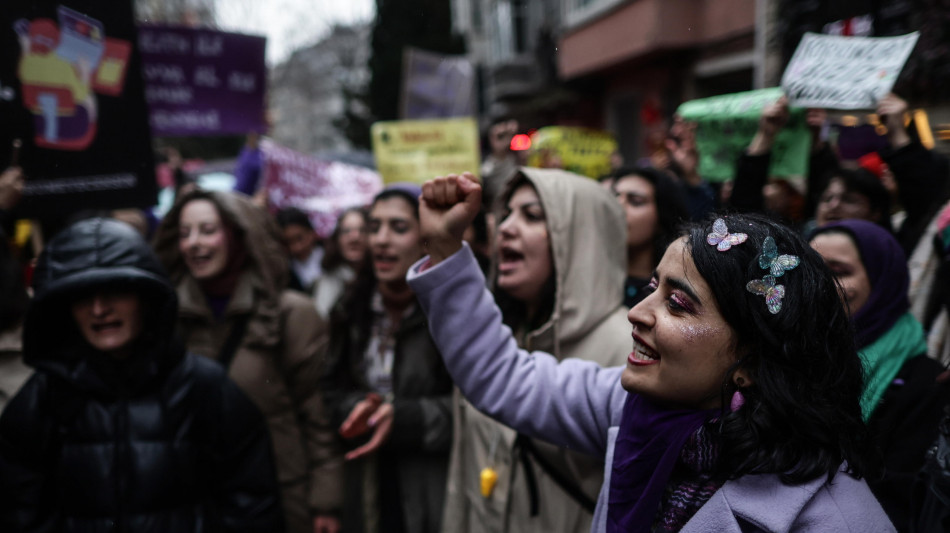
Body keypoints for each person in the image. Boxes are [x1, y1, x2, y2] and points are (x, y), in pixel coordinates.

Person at [409, 172, 893, 533]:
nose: (637, 313)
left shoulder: (833, 518)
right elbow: (501, 375)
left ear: (752, 362)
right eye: (651, 287)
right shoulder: (630, 404)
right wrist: (446, 248)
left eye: (678, 304)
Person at [0, 217, 283, 531]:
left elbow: (251, 507)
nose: (99, 309)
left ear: (145, 298)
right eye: (82, 296)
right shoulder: (40, 401)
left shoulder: (205, 389)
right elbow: (21, 515)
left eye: (115, 291)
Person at [443, 168, 631, 533]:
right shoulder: (497, 337)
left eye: (531, 216)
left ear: (580, 237)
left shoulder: (629, 347)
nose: (507, 228)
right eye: (507, 213)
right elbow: (461, 473)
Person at [153, 190, 342, 533]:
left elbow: (316, 415)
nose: (194, 243)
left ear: (240, 236)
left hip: (282, 499)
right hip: (197, 502)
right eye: (184, 233)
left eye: (208, 230)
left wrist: (325, 503)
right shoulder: (165, 319)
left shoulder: (291, 314)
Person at [321, 185, 453, 533]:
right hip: (366, 485)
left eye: (398, 228)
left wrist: (402, 419)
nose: (380, 240)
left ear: (426, 238)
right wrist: (358, 408)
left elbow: (472, 408)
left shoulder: (450, 314)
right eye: (373, 227)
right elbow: (328, 393)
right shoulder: (350, 311)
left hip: (434, 488)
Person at [810, 219, 950, 532]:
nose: (818, 286)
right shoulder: (775, 359)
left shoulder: (925, 385)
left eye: (838, 272)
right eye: (809, 272)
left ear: (882, 284)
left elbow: (900, 503)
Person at [610, 167, 690, 308]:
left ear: (661, 216)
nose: (618, 206)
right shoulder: (586, 279)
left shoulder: (679, 292)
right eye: (612, 198)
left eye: (635, 201)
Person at [314, 207, 368, 319]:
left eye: (362, 230)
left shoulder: (382, 280)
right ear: (337, 239)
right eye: (346, 231)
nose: (355, 237)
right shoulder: (328, 281)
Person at [275, 206, 325, 293]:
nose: (296, 248)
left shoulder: (331, 255)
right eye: (288, 242)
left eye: (299, 238)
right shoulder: (284, 270)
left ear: (311, 233)